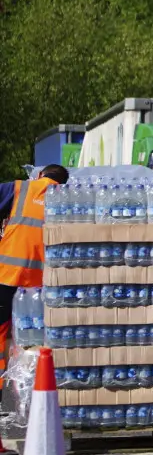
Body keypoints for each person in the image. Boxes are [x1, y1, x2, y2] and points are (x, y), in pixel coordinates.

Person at [0, 164, 69, 388]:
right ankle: (33, 388)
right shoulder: (67, 200)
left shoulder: (19, 188)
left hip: (7, 274)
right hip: (40, 285)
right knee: (35, 337)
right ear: (62, 183)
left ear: (40, 175)